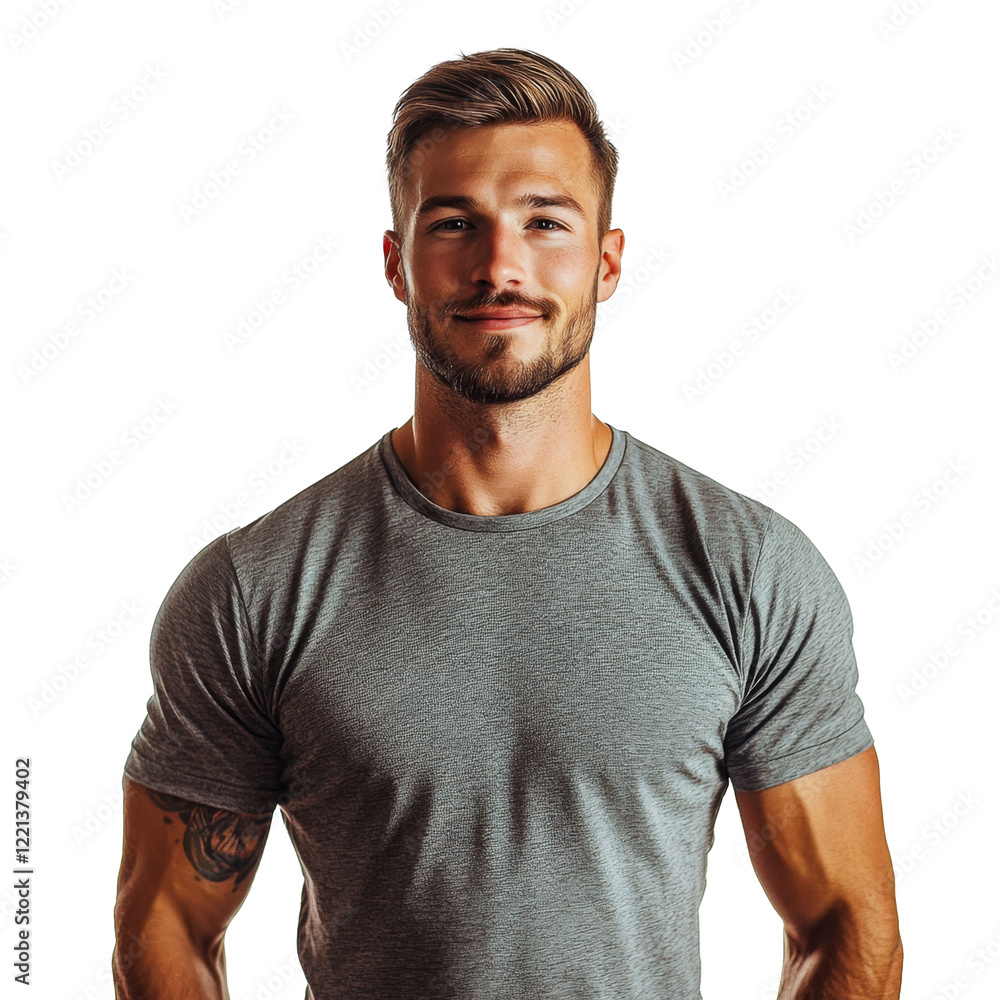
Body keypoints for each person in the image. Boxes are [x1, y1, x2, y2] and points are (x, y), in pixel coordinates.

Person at [113, 47, 903, 1000]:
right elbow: (166, 922)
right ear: (398, 265)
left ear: (606, 261)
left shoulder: (749, 570)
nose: (501, 266)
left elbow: (845, 923)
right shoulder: (256, 588)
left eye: (545, 221)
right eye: (456, 224)